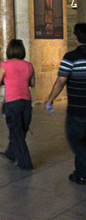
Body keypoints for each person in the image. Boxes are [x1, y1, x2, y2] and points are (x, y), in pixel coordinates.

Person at [44, 23, 86, 185]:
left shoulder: (71, 57)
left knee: (76, 141)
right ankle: (80, 174)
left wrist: (50, 99)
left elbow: (61, 81)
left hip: (77, 109)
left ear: (75, 38)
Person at [0, 39, 35, 170]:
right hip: (26, 102)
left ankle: (25, 163)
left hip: (12, 102)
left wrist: (9, 81)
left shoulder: (5, 65)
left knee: (16, 132)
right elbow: (32, 83)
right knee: (20, 130)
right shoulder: (29, 65)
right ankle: (10, 154)